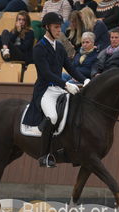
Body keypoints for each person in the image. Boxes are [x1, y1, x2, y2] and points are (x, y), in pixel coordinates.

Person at [22, 12, 90, 167]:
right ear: (47, 28)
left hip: (58, 88)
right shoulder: (39, 48)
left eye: (60, 27)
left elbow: (70, 67)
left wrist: (85, 80)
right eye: (56, 27)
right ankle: (44, 156)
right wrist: (66, 85)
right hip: (45, 90)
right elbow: (46, 73)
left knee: (73, 112)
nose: (59, 30)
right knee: (52, 117)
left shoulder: (59, 46)